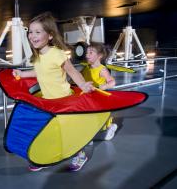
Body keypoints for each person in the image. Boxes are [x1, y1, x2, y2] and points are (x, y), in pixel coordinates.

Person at [13, 12, 94, 172]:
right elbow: (40, 72)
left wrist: (83, 85)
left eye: (38, 32)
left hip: (64, 101)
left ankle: (81, 153)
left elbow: (72, 72)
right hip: (48, 102)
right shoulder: (36, 56)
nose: (32, 36)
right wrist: (23, 74)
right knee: (46, 131)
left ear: (50, 35)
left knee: (69, 133)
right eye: (30, 31)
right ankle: (42, 158)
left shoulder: (56, 53)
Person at [81, 41, 118, 142]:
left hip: (100, 99)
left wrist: (103, 86)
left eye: (90, 53)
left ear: (100, 56)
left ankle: (110, 128)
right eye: (87, 53)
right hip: (89, 99)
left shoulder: (102, 70)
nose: (87, 55)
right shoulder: (86, 69)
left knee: (102, 119)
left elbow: (112, 82)